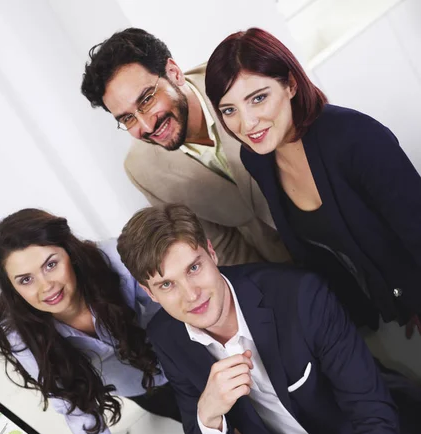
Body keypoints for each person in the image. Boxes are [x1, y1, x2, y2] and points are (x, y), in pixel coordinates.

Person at [117, 203, 421, 434]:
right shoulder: (168, 337)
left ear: (212, 253)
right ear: (149, 292)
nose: (191, 295)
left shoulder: (298, 295)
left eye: (193, 268)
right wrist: (208, 413)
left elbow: (374, 416)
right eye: (167, 285)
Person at [204, 27, 421, 334]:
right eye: (229, 109)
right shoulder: (257, 157)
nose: (247, 123)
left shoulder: (356, 139)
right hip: (371, 316)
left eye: (258, 98)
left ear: (290, 84)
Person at [0, 208, 181, 434]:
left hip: (197, 362)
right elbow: (76, 408)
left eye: (51, 264)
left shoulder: (116, 261)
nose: (45, 286)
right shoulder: (23, 336)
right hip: (149, 390)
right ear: (11, 288)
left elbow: (186, 312)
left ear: (70, 253)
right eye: (25, 280)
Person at [80, 27, 289, 267]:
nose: (146, 126)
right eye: (127, 118)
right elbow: (224, 250)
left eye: (147, 99)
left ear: (174, 73)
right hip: (282, 266)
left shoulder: (237, 78)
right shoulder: (142, 170)